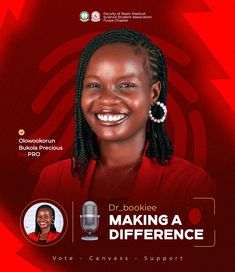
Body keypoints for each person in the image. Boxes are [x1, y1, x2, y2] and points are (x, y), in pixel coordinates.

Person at [33, 29, 215, 211]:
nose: (107, 99)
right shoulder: (53, 180)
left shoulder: (190, 184)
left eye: (126, 85)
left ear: (154, 93)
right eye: (94, 85)